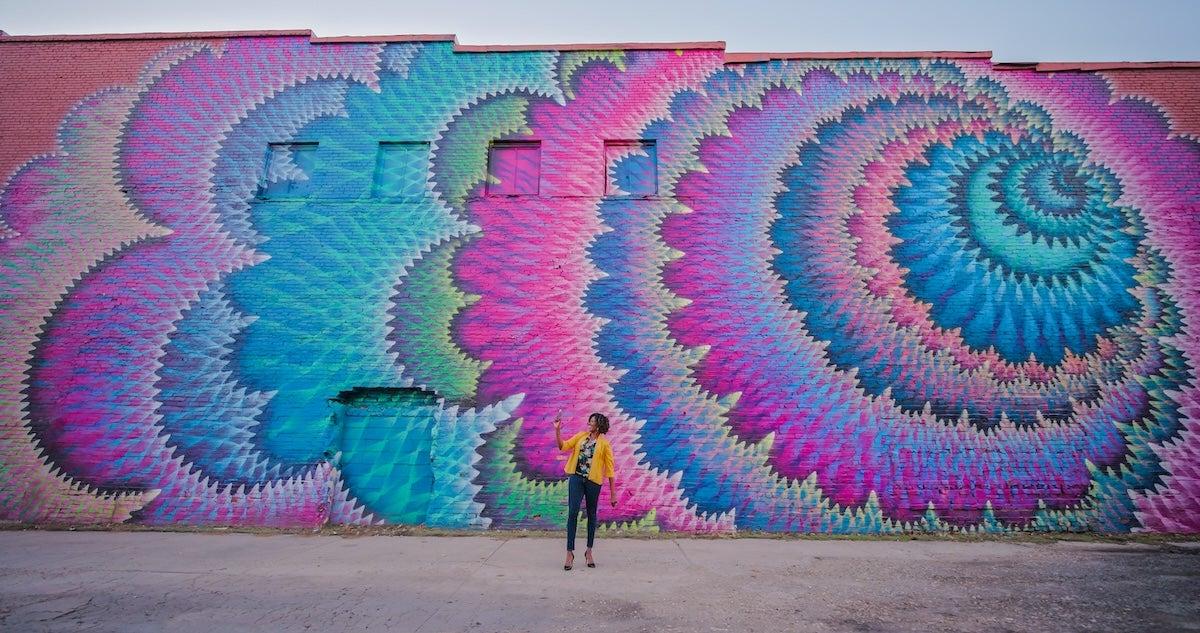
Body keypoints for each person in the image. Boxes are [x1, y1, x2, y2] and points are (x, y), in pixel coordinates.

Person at [553, 411, 617, 570]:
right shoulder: (581, 436)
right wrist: (557, 430)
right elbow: (563, 446)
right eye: (590, 420)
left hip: (593, 482)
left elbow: (609, 470)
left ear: (599, 425)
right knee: (573, 512)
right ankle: (569, 553)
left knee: (591, 514)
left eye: (593, 421)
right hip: (576, 479)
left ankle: (589, 551)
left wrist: (613, 493)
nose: (589, 423)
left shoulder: (604, 444)